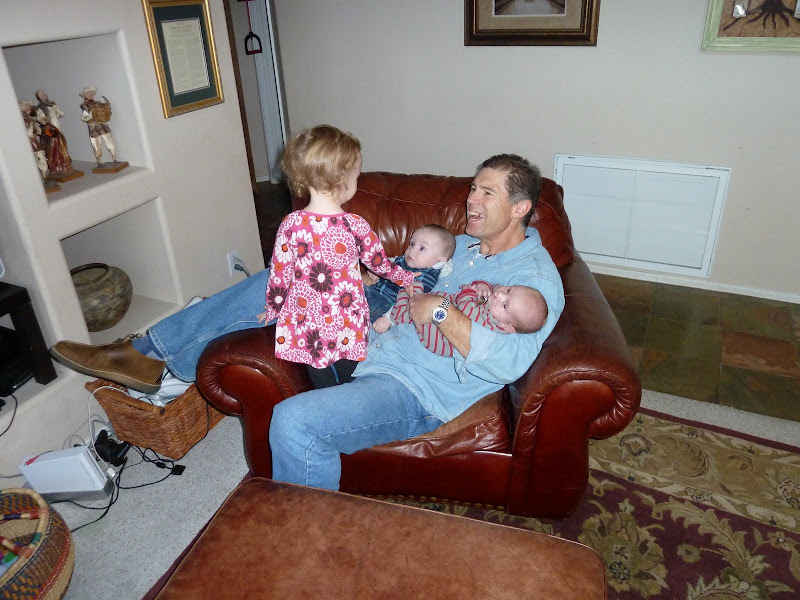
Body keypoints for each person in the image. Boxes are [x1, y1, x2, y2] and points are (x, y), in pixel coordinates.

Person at [50, 152, 565, 492]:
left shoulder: (534, 280)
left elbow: (506, 361)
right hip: (374, 338)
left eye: (487, 193)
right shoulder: (468, 248)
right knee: (290, 273)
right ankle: (148, 351)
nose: (471, 199)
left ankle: (310, 536)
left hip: (410, 387)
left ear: (521, 207)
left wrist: (435, 309)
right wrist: (365, 282)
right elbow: (406, 278)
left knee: (295, 424)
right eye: (473, 188)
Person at [261, 125, 416, 388]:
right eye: (356, 175)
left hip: (307, 319)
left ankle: (328, 401)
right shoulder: (355, 226)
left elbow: (280, 272)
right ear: (341, 178)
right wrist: (406, 278)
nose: (357, 181)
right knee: (351, 375)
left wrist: (273, 306)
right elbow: (380, 265)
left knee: (319, 376)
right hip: (346, 317)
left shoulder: (291, 224)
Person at [376, 280, 548, 357]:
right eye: (509, 290)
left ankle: (392, 317)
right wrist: (483, 285)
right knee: (418, 296)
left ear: (507, 326)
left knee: (411, 303)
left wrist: (468, 291)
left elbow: (465, 306)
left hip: (435, 336)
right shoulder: (496, 310)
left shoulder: (489, 322)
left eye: (505, 305)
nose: (500, 294)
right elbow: (494, 287)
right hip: (438, 320)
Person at [363, 224, 455, 324]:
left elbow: (410, 303)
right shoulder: (406, 260)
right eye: (412, 244)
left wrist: (388, 319)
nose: (412, 249)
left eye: (422, 248)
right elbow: (389, 265)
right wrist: (377, 271)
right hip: (373, 292)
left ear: (439, 261)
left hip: (384, 306)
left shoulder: (425, 277)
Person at [35, 89, 76, 177]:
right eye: (41, 94)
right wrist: (46, 119)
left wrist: (56, 109)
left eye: (44, 93)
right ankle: (56, 167)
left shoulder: (52, 104)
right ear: (39, 97)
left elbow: (60, 113)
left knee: (62, 146)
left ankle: (65, 165)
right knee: (54, 148)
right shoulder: (40, 107)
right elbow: (40, 119)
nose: (43, 95)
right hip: (50, 130)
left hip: (57, 127)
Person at [79, 86, 117, 166]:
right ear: (85, 95)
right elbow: (85, 117)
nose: (91, 95)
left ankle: (114, 158)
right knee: (97, 144)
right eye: (89, 94)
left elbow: (106, 111)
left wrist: (106, 112)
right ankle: (99, 161)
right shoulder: (84, 105)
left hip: (103, 125)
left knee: (109, 141)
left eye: (92, 94)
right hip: (93, 126)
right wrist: (91, 116)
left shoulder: (98, 103)